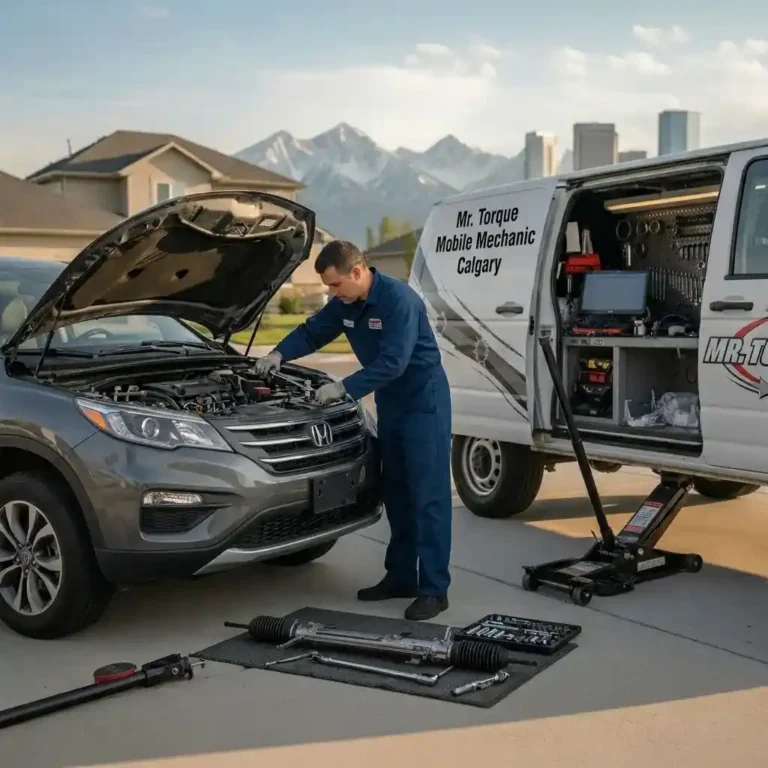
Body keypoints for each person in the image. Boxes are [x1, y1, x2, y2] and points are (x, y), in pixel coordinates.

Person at [255, 240, 452, 621]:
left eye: (335, 285)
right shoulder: (346, 302)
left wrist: (342, 388)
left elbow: (394, 362)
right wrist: (278, 353)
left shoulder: (399, 301)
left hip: (423, 404)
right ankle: (401, 577)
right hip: (391, 403)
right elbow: (313, 332)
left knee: (428, 497)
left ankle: (434, 589)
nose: (332, 293)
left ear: (357, 272)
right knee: (396, 493)